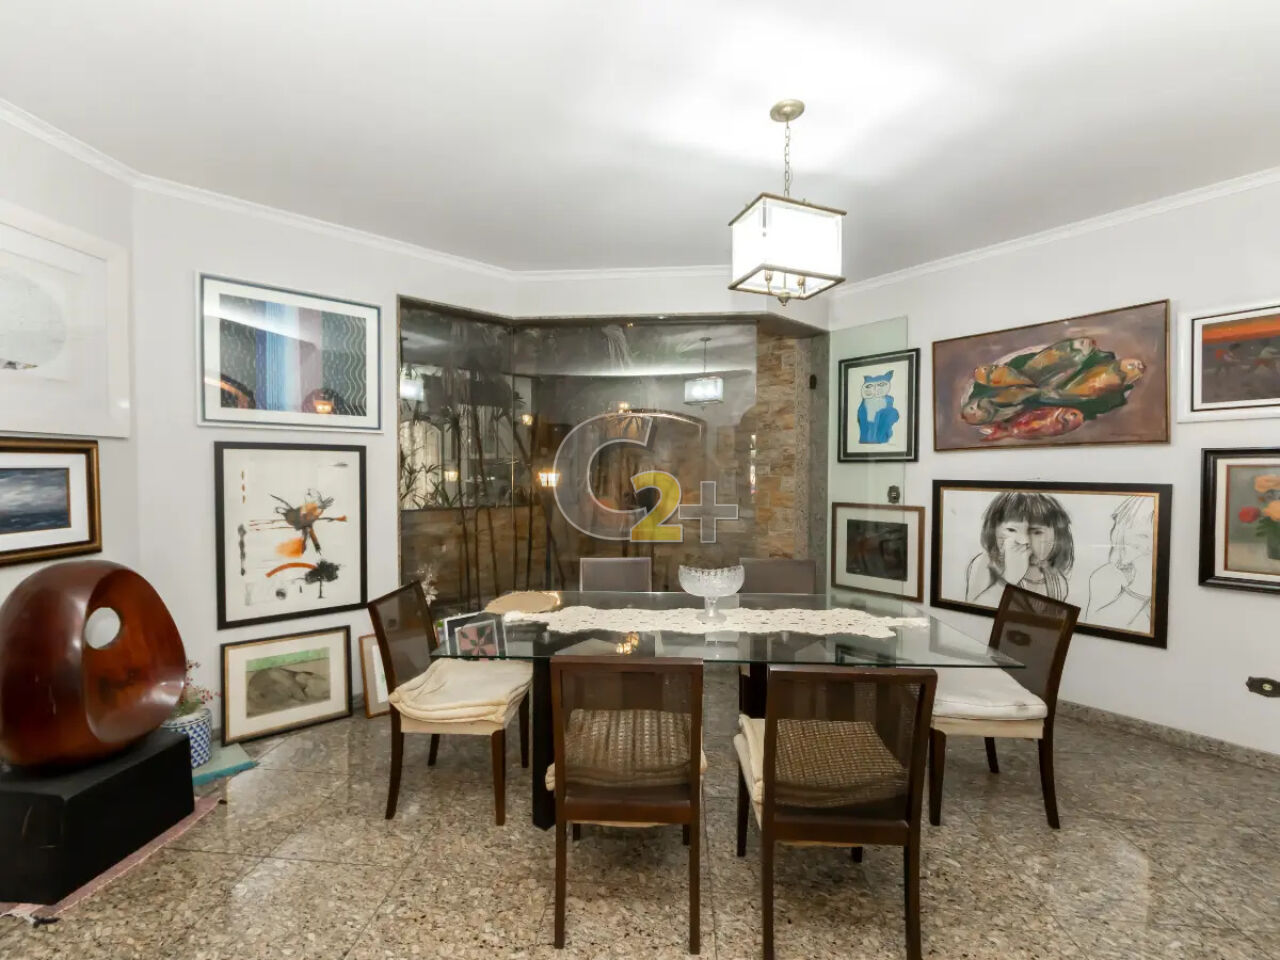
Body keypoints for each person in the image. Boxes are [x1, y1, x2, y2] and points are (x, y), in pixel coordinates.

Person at [965, 492, 1073, 604]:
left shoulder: (1058, 583)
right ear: (993, 531)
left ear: (1058, 537)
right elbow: (974, 609)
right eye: (1011, 530)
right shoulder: (985, 564)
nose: (1024, 541)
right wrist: (1008, 580)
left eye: (1037, 532)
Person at [1085, 496, 1154, 631]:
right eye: (1143, 536)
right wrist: (1140, 583)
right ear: (1121, 534)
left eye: (1157, 536)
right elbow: (1095, 625)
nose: (1150, 546)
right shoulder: (1104, 576)